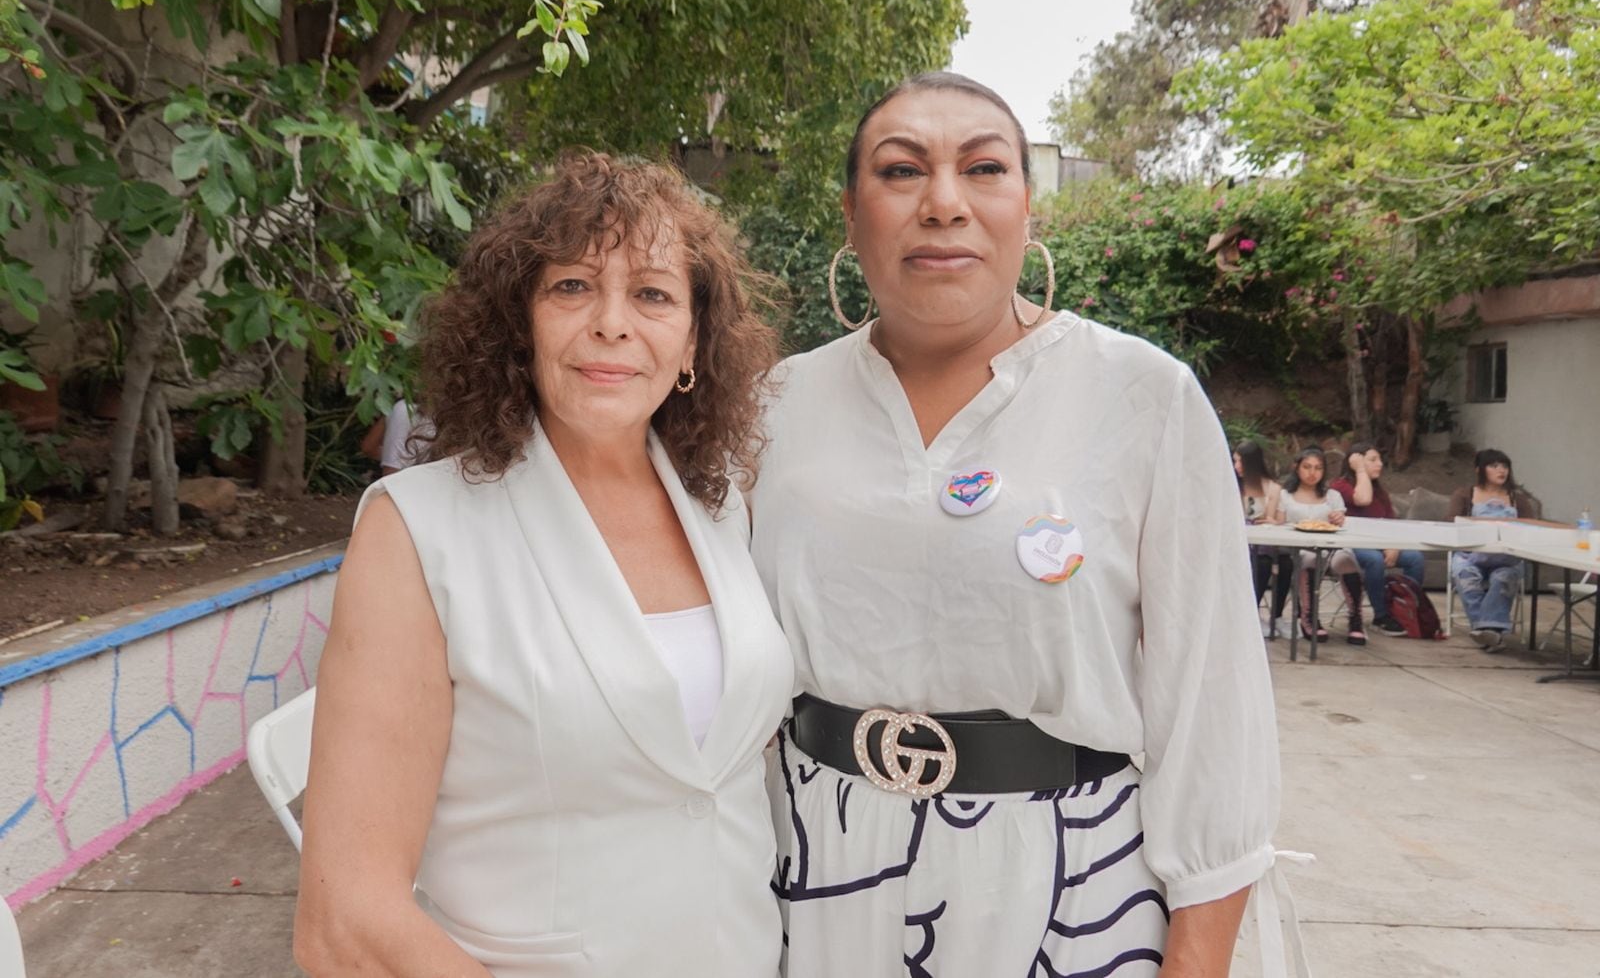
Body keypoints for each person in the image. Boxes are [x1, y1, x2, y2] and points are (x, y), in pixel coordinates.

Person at [750, 73, 1282, 978]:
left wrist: (1198, 954)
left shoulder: (1142, 396)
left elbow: (1212, 700)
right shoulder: (773, 405)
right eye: (902, 170)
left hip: (1070, 876)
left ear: (1028, 208)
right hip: (812, 867)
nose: (944, 204)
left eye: (984, 169)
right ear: (851, 214)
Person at [293, 154, 795, 977]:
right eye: (571, 287)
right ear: (517, 325)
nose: (611, 322)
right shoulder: (418, 530)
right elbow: (346, 919)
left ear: (693, 342)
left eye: (653, 294)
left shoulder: (720, 507)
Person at [1328, 442, 1425, 637]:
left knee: (1415, 558)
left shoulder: (1380, 492)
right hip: (1351, 545)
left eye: (1379, 459)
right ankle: (1381, 616)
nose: (1379, 464)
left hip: (1380, 544)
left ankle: (1405, 609)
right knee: (1374, 560)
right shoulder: (1341, 486)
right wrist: (1360, 471)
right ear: (1355, 462)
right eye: (1373, 460)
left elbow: (1391, 523)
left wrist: (1393, 546)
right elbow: (1362, 499)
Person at [1448, 448, 1537, 652]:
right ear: (1479, 469)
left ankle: (1486, 632)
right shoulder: (1465, 494)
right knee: (1465, 576)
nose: (1501, 470)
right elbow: (1450, 522)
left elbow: (1531, 527)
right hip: (1470, 554)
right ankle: (1491, 633)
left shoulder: (1518, 499)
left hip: (1507, 557)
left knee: (1503, 578)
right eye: (1494, 466)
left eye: (1504, 466)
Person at [1273, 447, 1362, 644]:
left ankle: (1356, 619)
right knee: (1311, 559)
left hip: (1331, 544)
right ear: (1297, 468)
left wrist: (1339, 519)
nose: (1312, 473)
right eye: (1307, 467)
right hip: (1299, 547)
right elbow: (1278, 524)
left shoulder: (1332, 496)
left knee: (1346, 559)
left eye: (1318, 468)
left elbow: (1341, 521)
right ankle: (1309, 617)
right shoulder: (1285, 495)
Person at [1236, 440, 1290, 638]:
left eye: (1240, 462)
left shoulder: (1273, 488)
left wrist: (1271, 519)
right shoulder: (1234, 486)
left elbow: (1279, 520)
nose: (1236, 467)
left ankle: (1275, 615)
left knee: (1284, 563)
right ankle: (1249, 614)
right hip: (1241, 542)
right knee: (1260, 562)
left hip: (1266, 540)